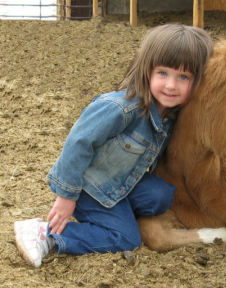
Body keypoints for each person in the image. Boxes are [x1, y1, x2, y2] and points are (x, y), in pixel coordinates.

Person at [14, 23, 214, 268]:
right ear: (146, 70)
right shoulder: (121, 108)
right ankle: (46, 234)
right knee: (125, 238)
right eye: (163, 73)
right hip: (91, 189)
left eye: (184, 77)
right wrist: (67, 196)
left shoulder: (170, 117)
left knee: (161, 195)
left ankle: (117, 216)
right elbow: (78, 142)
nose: (172, 85)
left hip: (120, 182)